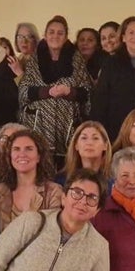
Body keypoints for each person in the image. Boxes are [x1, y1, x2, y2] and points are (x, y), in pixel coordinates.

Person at [18, 15, 92, 166]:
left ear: (66, 37)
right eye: (51, 32)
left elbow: (87, 92)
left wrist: (69, 91)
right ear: (45, 35)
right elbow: (23, 92)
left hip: (67, 128)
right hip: (38, 125)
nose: (55, 36)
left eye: (60, 33)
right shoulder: (34, 59)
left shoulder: (77, 60)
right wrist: (47, 92)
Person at [89, 16, 135, 140]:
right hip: (117, 130)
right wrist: (98, 133)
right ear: (123, 37)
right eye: (131, 32)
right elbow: (100, 100)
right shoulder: (111, 63)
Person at [0, 130, 64, 232]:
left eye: (29, 149)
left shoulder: (53, 191)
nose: (22, 154)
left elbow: (52, 232)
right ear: (9, 156)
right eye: (16, 149)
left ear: (38, 156)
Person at [59, 121, 113, 186]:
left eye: (95, 138)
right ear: (76, 145)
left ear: (105, 145)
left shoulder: (114, 182)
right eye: (84, 138)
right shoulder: (61, 181)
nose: (89, 143)